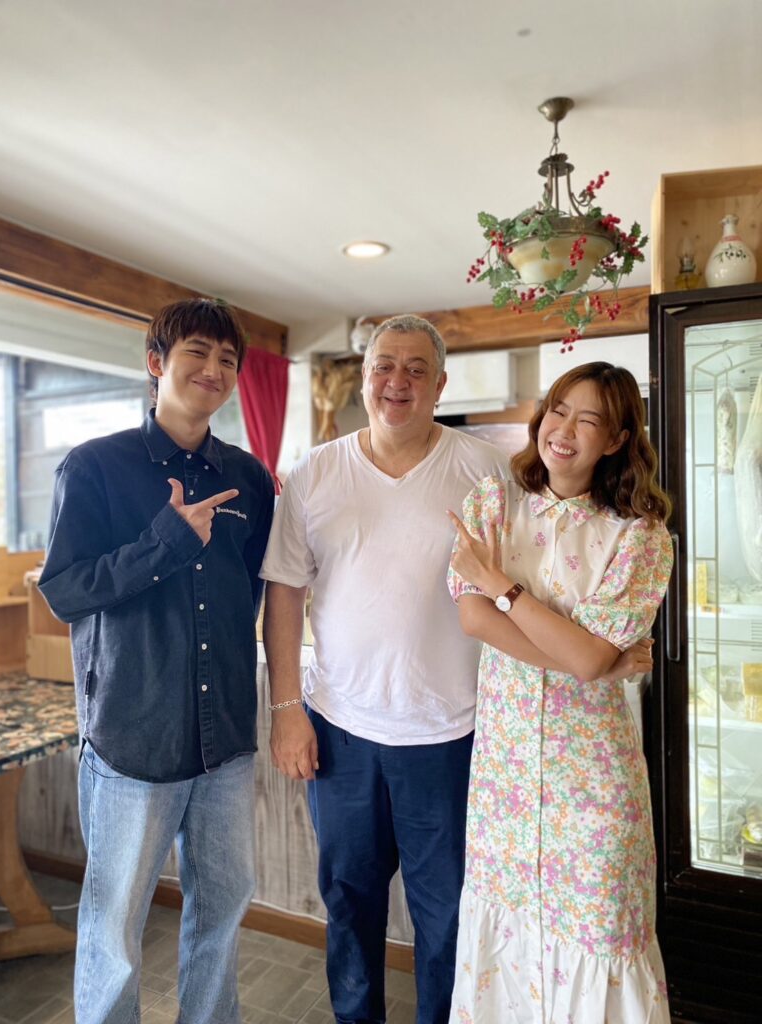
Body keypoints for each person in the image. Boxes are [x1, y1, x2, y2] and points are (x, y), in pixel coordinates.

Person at [259, 319, 649, 1024]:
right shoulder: (315, 471)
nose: (397, 382)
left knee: (449, 917)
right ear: (363, 377)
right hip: (341, 729)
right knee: (348, 903)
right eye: (384, 366)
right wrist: (287, 711)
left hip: (455, 735)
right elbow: (284, 590)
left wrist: (604, 653)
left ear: (440, 385)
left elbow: (550, 560)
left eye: (416, 369)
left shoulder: (490, 471)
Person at [39, 298, 274, 1024]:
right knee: (114, 928)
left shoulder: (249, 478)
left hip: (224, 737)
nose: (214, 370)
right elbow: (64, 591)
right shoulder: (95, 466)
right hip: (132, 735)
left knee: (222, 910)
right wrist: (164, 542)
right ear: (156, 363)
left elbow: (252, 591)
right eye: (197, 352)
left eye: (228, 360)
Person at [446, 360, 674, 1024]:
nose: (565, 430)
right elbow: (475, 620)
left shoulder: (640, 537)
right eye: (558, 410)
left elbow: (584, 654)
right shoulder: (492, 503)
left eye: (589, 419)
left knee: (599, 929)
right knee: (507, 929)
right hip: (507, 773)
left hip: (594, 778)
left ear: (618, 439)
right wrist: (589, 660)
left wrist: (505, 588)